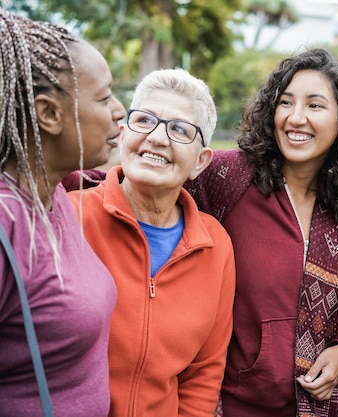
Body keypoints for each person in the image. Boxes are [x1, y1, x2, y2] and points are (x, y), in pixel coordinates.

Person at [182, 48, 338, 417]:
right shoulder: (226, 178)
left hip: (323, 409)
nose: (296, 118)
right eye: (285, 102)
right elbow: (150, 188)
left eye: (315, 106)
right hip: (232, 405)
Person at [65, 68, 236, 415]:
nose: (157, 138)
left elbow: (203, 372)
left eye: (179, 129)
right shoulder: (68, 219)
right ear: (123, 133)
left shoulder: (215, 246)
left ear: (200, 162)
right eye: (144, 120)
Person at [0, 8, 125, 416]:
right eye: (104, 96)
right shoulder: (6, 222)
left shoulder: (51, 191)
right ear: (48, 113)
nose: (119, 110)